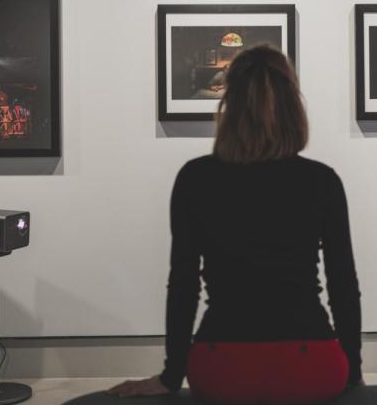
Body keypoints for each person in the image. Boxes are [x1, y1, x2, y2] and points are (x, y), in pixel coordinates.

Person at [108, 44, 362, 404]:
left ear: (228, 106)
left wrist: (171, 374)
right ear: (293, 106)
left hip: (222, 365)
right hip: (312, 363)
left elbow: (183, 286)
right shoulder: (322, 181)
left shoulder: (195, 178)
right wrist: (354, 374)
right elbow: (342, 285)